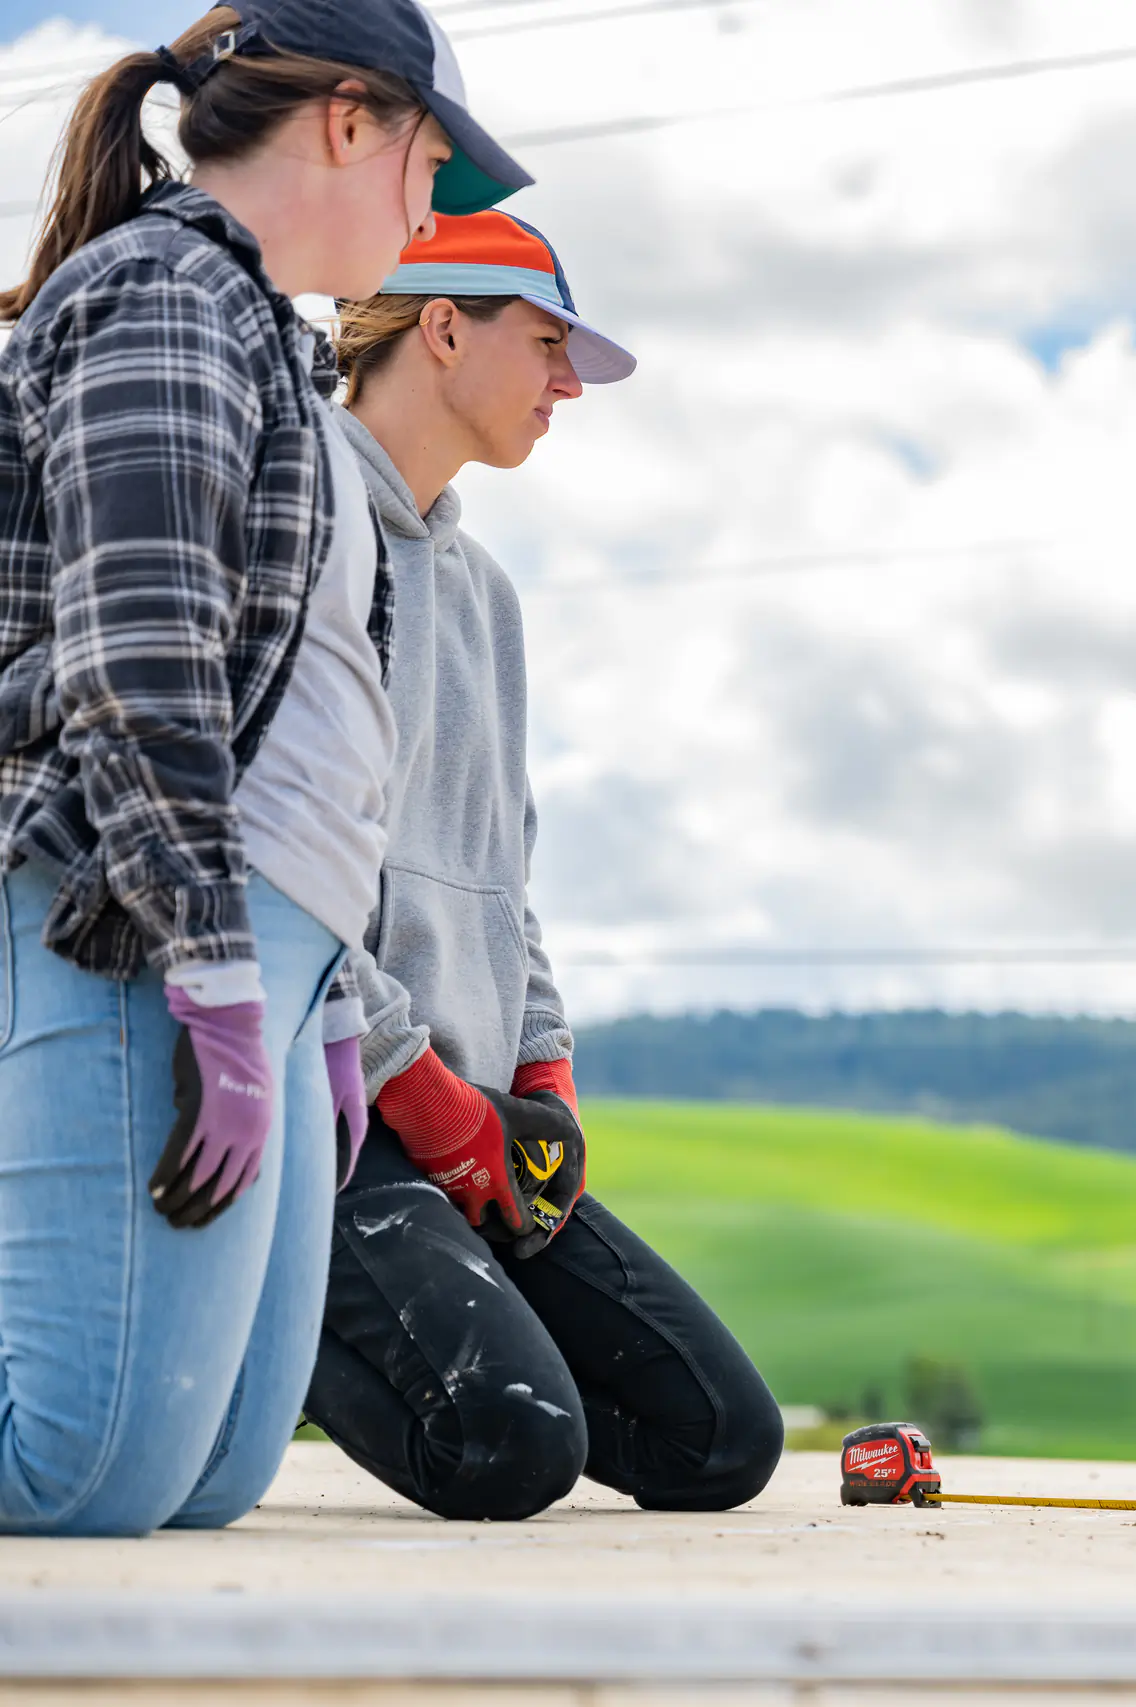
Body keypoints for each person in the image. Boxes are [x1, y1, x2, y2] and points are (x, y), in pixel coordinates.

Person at [0, 0, 528, 1535]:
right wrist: (213, 973)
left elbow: (310, 706)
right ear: (351, 120)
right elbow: (142, 661)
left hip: (273, 951)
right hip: (138, 916)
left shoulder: (262, 340)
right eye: (434, 164)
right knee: (78, 1467)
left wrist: (312, 1009)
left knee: (218, 1469)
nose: (436, 213)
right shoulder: (161, 296)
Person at [300, 210, 785, 1521]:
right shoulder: (302, 524)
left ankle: (385, 1295)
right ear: (443, 327)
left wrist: (539, 1071)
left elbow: (503, 881)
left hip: (469, 1120)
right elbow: (275, 863)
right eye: (549, 344)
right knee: (508, 1444)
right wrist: (421, 1093)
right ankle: (262, 1312)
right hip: (336, 1119)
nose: (569, 383)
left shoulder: (487, 591)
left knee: (721, 1441)